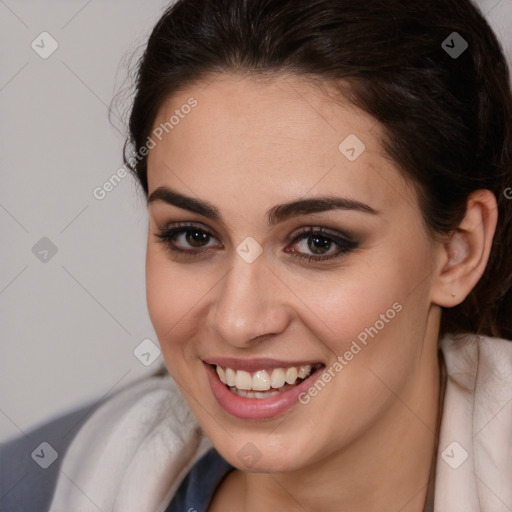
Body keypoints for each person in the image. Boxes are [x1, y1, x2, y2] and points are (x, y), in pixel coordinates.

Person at [2, 0, 511, 510]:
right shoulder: (35, 487)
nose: (237, 321)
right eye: (194, 237)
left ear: (458, 252)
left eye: (318, 242)